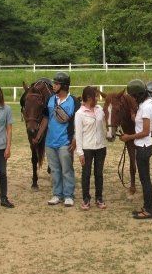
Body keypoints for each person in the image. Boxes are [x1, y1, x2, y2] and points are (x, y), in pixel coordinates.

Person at [120, 79, 152, 220]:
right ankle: (147, 207)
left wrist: (129, 137)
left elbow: (146, 131)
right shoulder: (143, 105)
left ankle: (149, 210)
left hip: (143, 146)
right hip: (143, 146)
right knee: (144, 179)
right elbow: (142, 123)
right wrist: (134, 117)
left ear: (139, 95)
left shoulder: (146, 107)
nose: (133, 99)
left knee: (145, 180)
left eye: (134, 96)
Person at [45, 72, 78, 207]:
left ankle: (69, 195)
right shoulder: (51, 100)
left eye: (56, 83)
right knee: (55, 169)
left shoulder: (74, 101)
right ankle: (57, 194)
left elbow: (77, 122)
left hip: (65, 141)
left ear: (63, 85)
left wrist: (75, 139)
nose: (54, 85)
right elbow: (46, 118)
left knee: (67, 169)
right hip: (50, 141)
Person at [75, 86, 107, 210]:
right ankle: (86, 199)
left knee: (99, 174)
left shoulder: (99, 110)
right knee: (86, 174)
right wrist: (80, 153)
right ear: (89, 98)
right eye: (95, 97)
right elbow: (78, 134)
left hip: (100, 147)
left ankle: (99, 198)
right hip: (87, 148)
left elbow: (108, 118)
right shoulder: (80, 113)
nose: (97, 99)